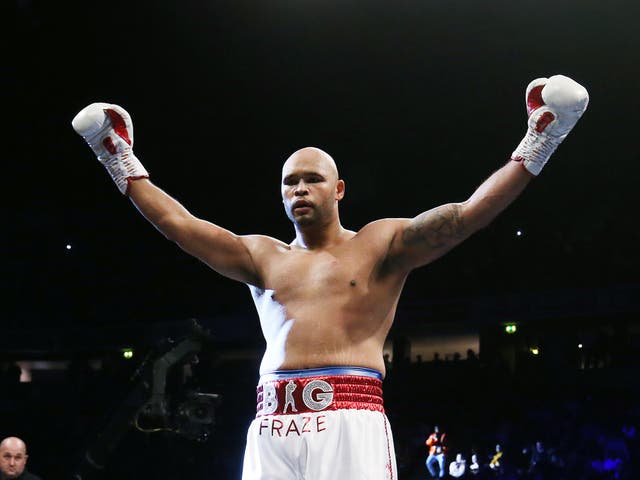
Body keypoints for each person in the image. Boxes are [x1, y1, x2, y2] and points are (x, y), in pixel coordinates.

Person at [71, 74, 589, 480]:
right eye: (289, 182)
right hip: (271, 419)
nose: (299, 189)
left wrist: (539, 144)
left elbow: (464, 216)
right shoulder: (261, 257)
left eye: (312, 179)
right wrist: (117, 157)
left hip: (350, 414)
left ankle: (545, 132)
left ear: (338, 189)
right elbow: (180, 226)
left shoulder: (380, 244)